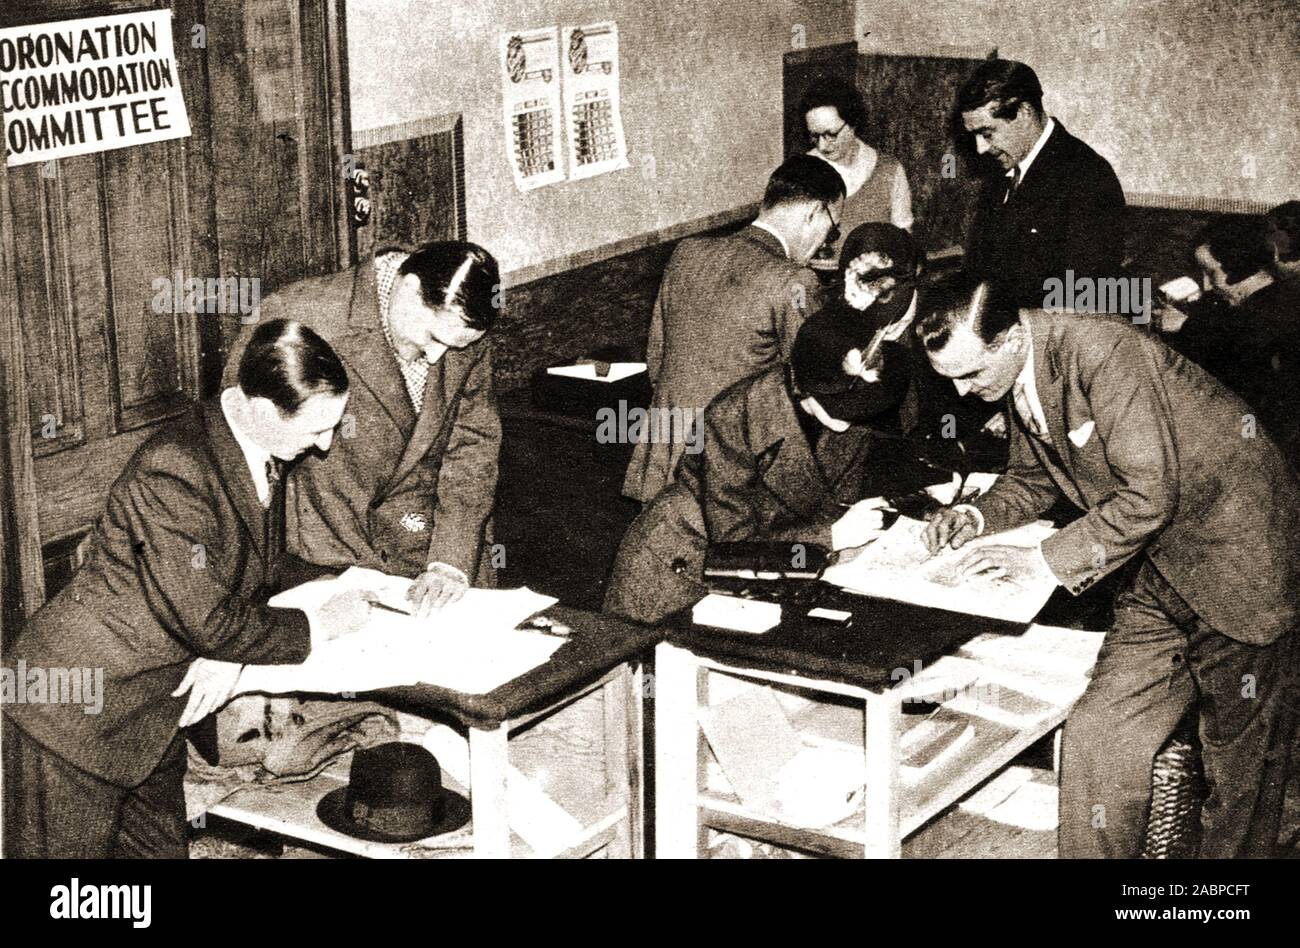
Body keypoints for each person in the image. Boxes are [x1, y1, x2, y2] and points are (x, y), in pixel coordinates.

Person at [918, 274, 1300, 858]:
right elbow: (1034, 476)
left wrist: (1041, 562)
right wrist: (976, 515)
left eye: (972, 375)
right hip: (1161, 564)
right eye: (952, 379)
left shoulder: (1104, 352)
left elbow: (1149, 495)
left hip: (1238, 560)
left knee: (1239, 769)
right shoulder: (1025, 370)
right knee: (1100, 735)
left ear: (1013, 337)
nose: (965, 394)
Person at [3, 320, 373, 858]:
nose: (325, 444)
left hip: (152, 716)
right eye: (317, 429)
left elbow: (255, 571)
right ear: (265, 410)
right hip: (71, 715)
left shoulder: (251, 444)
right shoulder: (174, 469)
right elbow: (209, 621)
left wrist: (340, 581)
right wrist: (319, 623)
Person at [224, 241, 502, 615]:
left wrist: (450, 560)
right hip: (326, 554)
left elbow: (472, 448)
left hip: (435, 550)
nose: (438, 357)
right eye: (434, 338)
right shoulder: (297, 316)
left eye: (455, 346)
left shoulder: (461, 321)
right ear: (409, 288)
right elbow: (243, 449)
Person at [605, 311, 907, 625]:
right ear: (805, 383)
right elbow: (734, 542)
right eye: (843, 407)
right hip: (681, 565)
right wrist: (831, 536)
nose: (850, 420)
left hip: (775, 566)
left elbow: (832, 499)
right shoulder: (733, 416)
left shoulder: (850, 416)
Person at [621, 155, 845, 504]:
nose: (825, 245)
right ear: (815, 212)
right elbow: (811, 388)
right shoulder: (792, 281)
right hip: (728, 473)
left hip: (663, 457)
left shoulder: (687, 253)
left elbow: (657, 359)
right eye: (833, 231)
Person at [956, 59, 1126, 310]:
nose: (981, 148)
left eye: (987, 133)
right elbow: (980, 270)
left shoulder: (1087, 177)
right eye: (975, 136)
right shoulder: (1002, 169)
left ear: (1023, 113)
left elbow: (1083, 295)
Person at [1169, 217, 1300, 463]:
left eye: (1211, 273)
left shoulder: (1262, 321)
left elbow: (1241, 405)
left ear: (1238, 269)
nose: (1207, 285)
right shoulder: (1270, 301)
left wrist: (1186, 328)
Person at [801, 77, 913, 268]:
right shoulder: (802, 170)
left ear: (853, 123)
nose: (822, 145)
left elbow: (903, 240)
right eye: (815, 136)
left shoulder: (890, 170)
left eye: (831, 134)